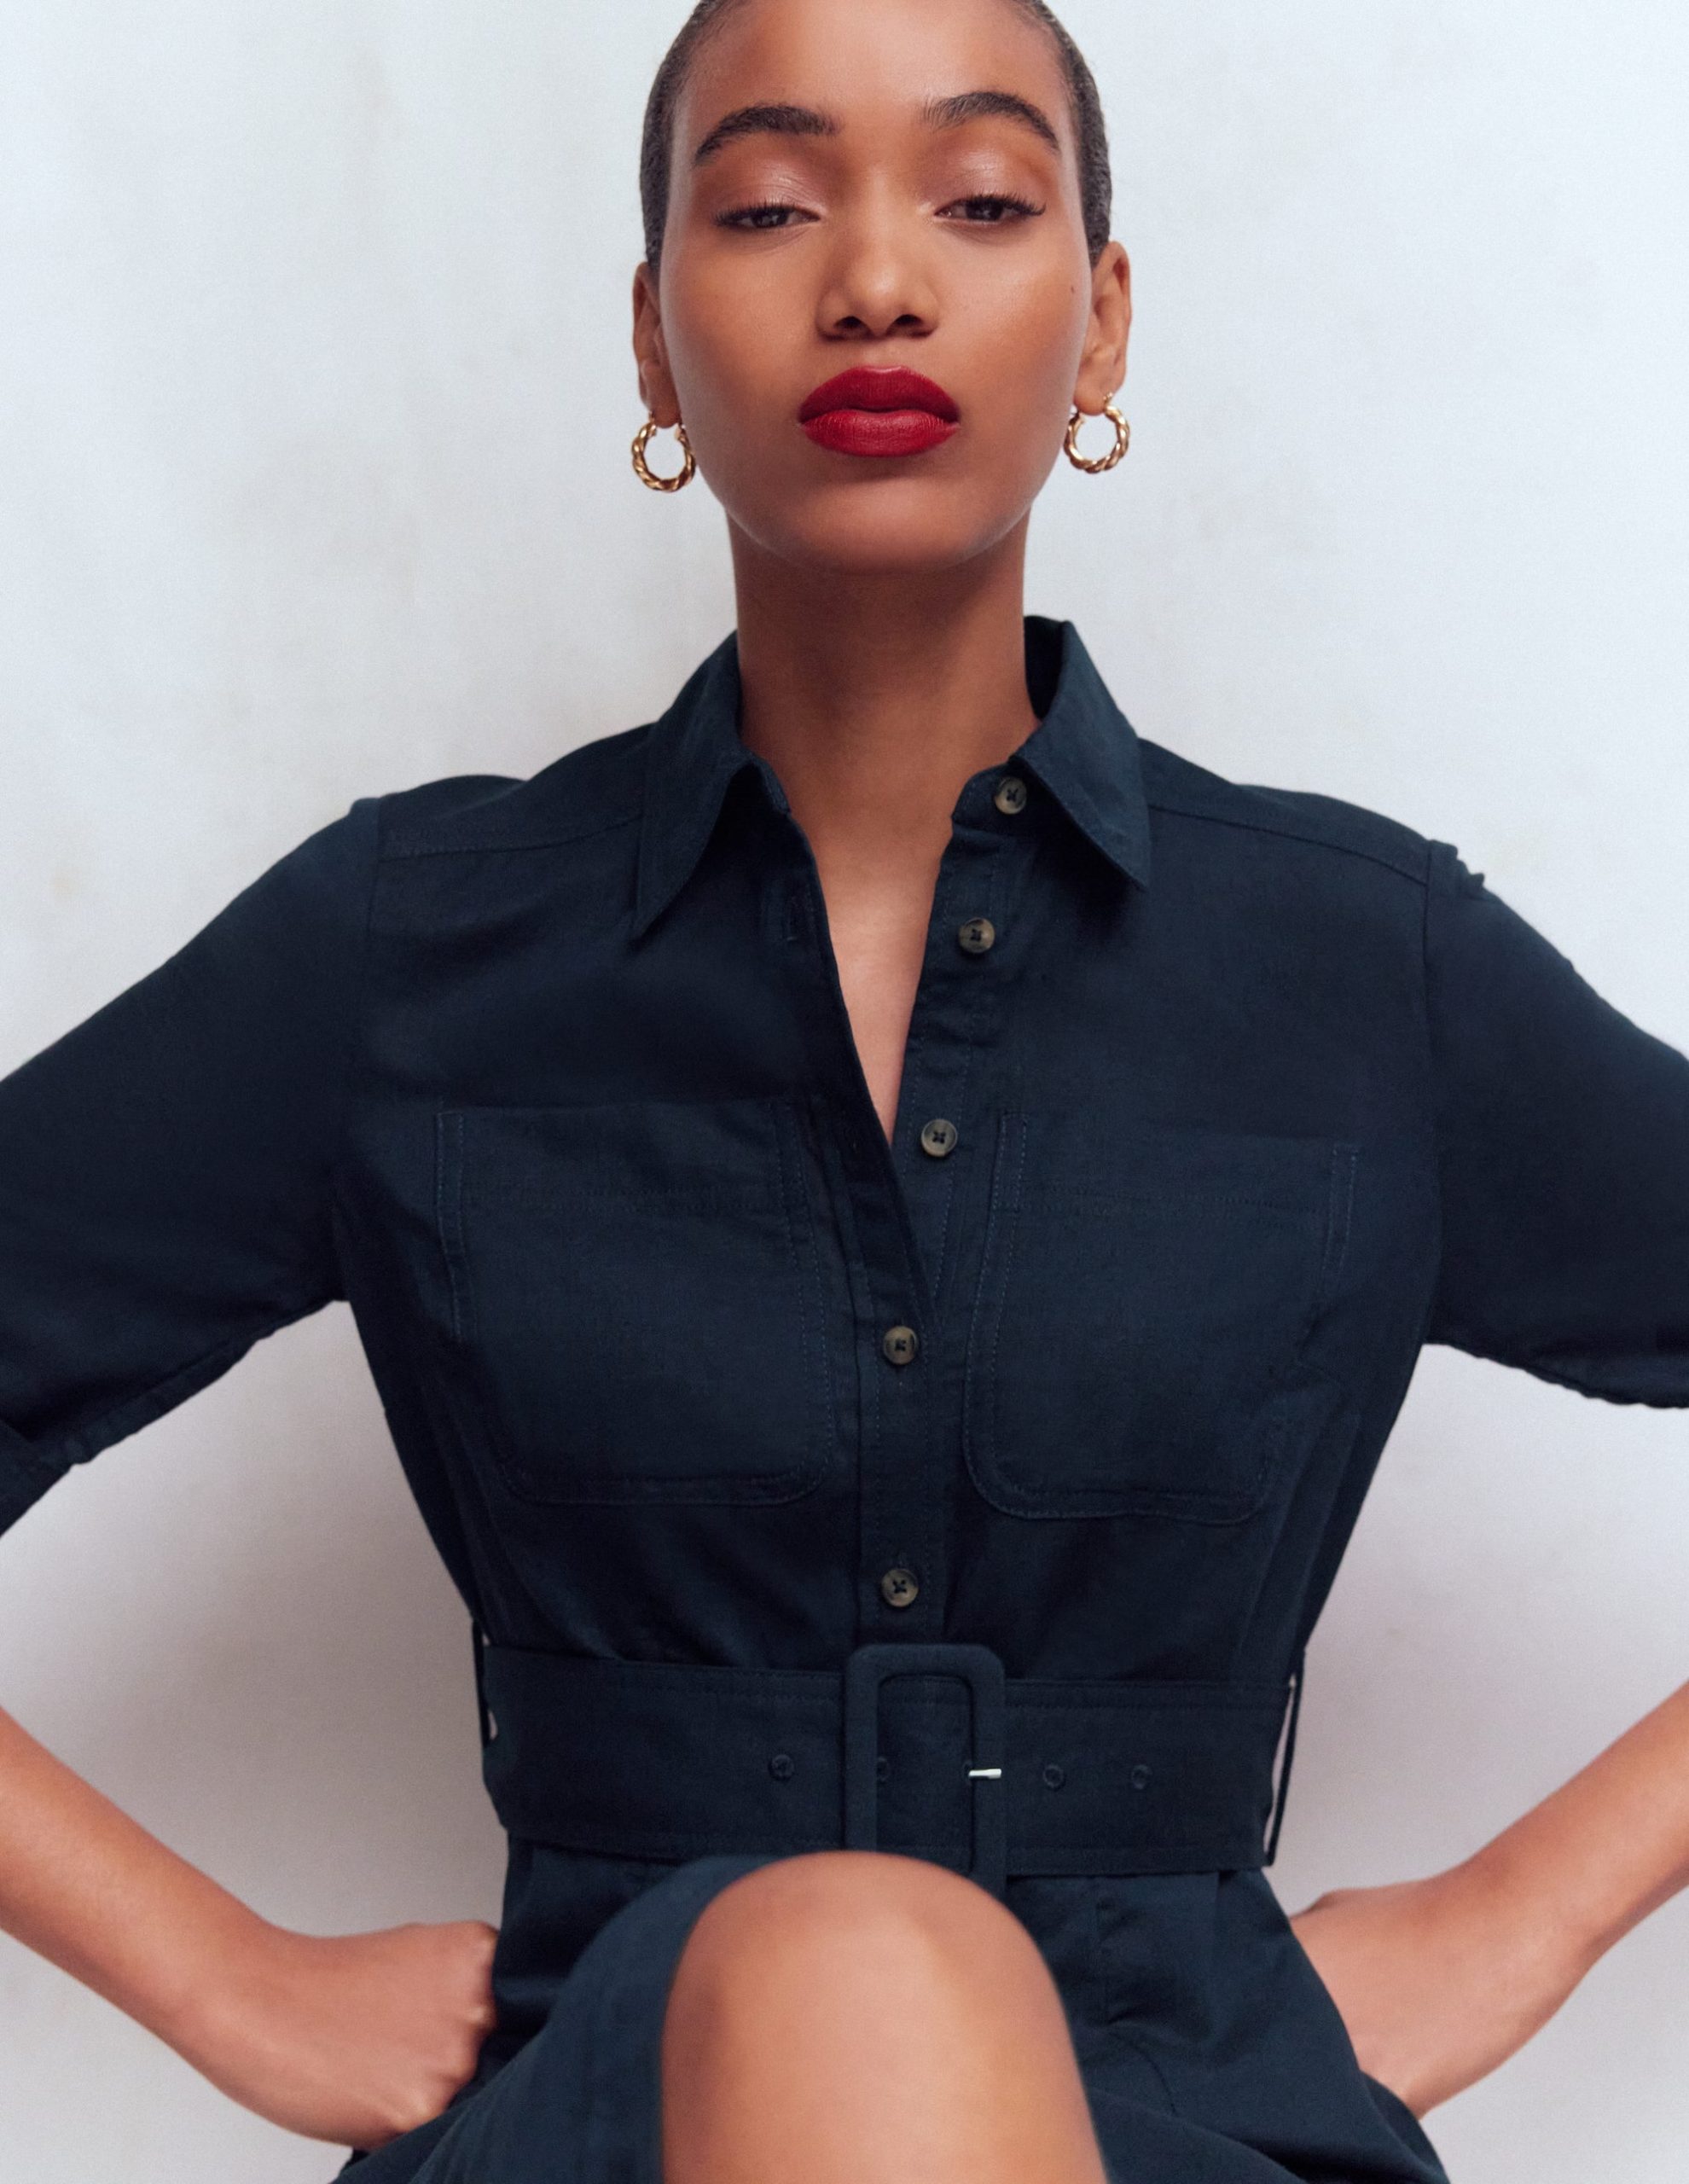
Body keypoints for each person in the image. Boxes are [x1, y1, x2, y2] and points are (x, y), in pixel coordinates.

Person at [3, 1, 1686, 2179]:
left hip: (1214, 2115)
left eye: (979, 201)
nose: (878, 279)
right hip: (615, 2110)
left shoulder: (1369, 966)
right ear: (651, 338)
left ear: (1101, 321)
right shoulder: (406, 947)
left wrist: (1529, 1906)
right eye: (770, 206)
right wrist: (221, 1972)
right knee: (853, 1970)